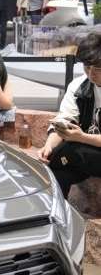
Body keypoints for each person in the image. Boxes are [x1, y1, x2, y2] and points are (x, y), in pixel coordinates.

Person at [40, 32, 101, 197]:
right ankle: (57, 210)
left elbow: (78, 139)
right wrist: (49, 147)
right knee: (58, 174)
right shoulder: (79, 86)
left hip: (83, 149)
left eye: (97, 68)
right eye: (86, 67)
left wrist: (82, 138)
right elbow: (64, 120)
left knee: (72, 150)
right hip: (86, 153)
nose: (91, 73)